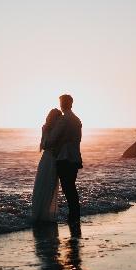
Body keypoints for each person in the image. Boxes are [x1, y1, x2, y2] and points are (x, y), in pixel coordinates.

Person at [47, 94, 82, 233]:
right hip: (75, 158)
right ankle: (74, 215)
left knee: (68, 188)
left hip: (64, 158)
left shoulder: (64, 119)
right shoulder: (76, 119)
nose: (61, 105)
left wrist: (46, 141)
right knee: (71, 187)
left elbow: (53, 138)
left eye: (62, 102)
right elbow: (78, 139)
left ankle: (73, 216)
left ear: (64, 104)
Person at [31, 108, 62, 222]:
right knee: (44, 185)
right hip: (50, 159)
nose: (60, 119)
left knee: (47, 186)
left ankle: (44, 214)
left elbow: (43, 145)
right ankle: (42, 214)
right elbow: (44, 144)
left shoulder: (53, 128)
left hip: (49, 159)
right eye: (58, 117)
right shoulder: (48, 128)